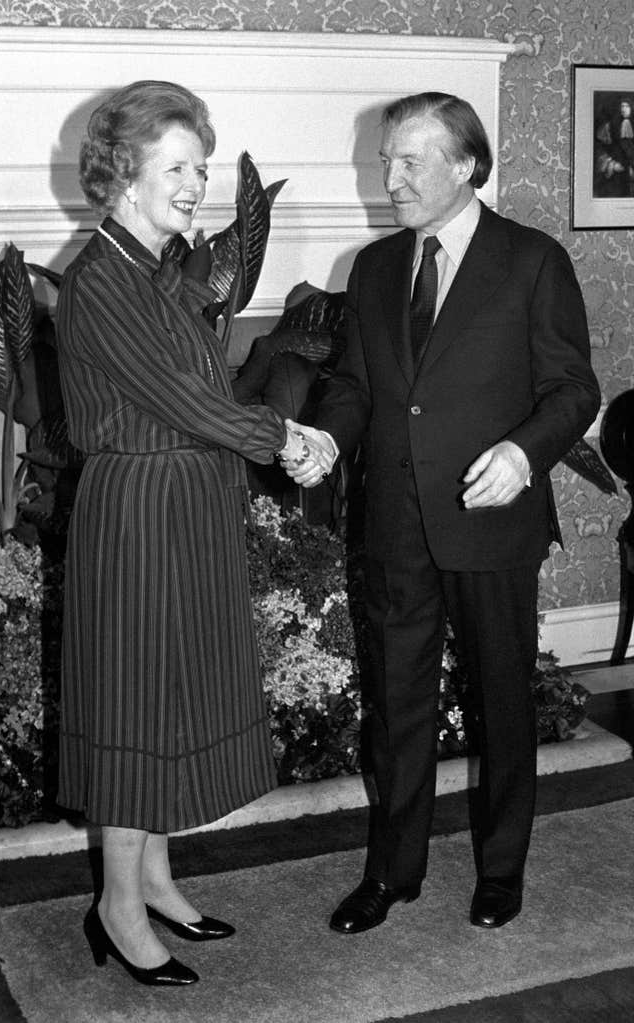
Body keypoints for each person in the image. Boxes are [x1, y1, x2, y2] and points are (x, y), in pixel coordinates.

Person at [284, 91, 601, 934]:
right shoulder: (376, 265)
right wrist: (323, 435)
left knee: (502, 701)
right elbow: (356, 387)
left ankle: (501, 871)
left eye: (409, 161)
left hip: (491, 521)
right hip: (394, 521)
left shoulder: (532, 261)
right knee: (397, 705)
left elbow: (573, 387)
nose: (389, 177)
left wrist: (524, 452)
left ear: (465, 165)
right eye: (386, 158)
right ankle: (392, 872)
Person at [56, 80, 309, 986]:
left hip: (187, 513)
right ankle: (115, 907)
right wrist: (286, 436)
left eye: (202, 165)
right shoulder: (99, 282)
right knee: (134, 697)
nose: (198, 181)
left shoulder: (162, 277)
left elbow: (198, 400)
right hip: (139, 519)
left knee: (167, 695)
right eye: (179, 166)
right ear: (124, 173)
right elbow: (191, 404)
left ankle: (154, 878)